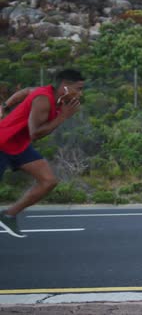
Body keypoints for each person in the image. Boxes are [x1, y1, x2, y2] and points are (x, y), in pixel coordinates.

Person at [0, 69, 84, 238]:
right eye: (78, 88)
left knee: (48, 181)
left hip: (18, 146)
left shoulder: (53, 96)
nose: (81, 93)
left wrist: (4, 106)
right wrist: (63, 117)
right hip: (2, 142)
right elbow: (35, 134)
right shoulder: (43, 100)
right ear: (65, 87)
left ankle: (8, 215)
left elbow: (24, 91)